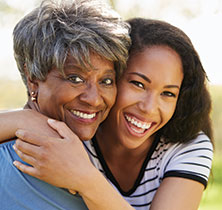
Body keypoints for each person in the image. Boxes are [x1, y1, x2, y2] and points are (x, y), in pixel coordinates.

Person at [0, 17, 213, 210]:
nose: (149, 107)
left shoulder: (187, 148)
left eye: (168, 93)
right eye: (138, 84)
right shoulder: (82, 126)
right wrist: (25, 118)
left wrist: (85, 178)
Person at [0, 0, 132, 209]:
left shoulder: (100, 153)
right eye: (75, 78)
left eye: (106, 81)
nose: (94, 99)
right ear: (33, 78)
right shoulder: (12, 164)